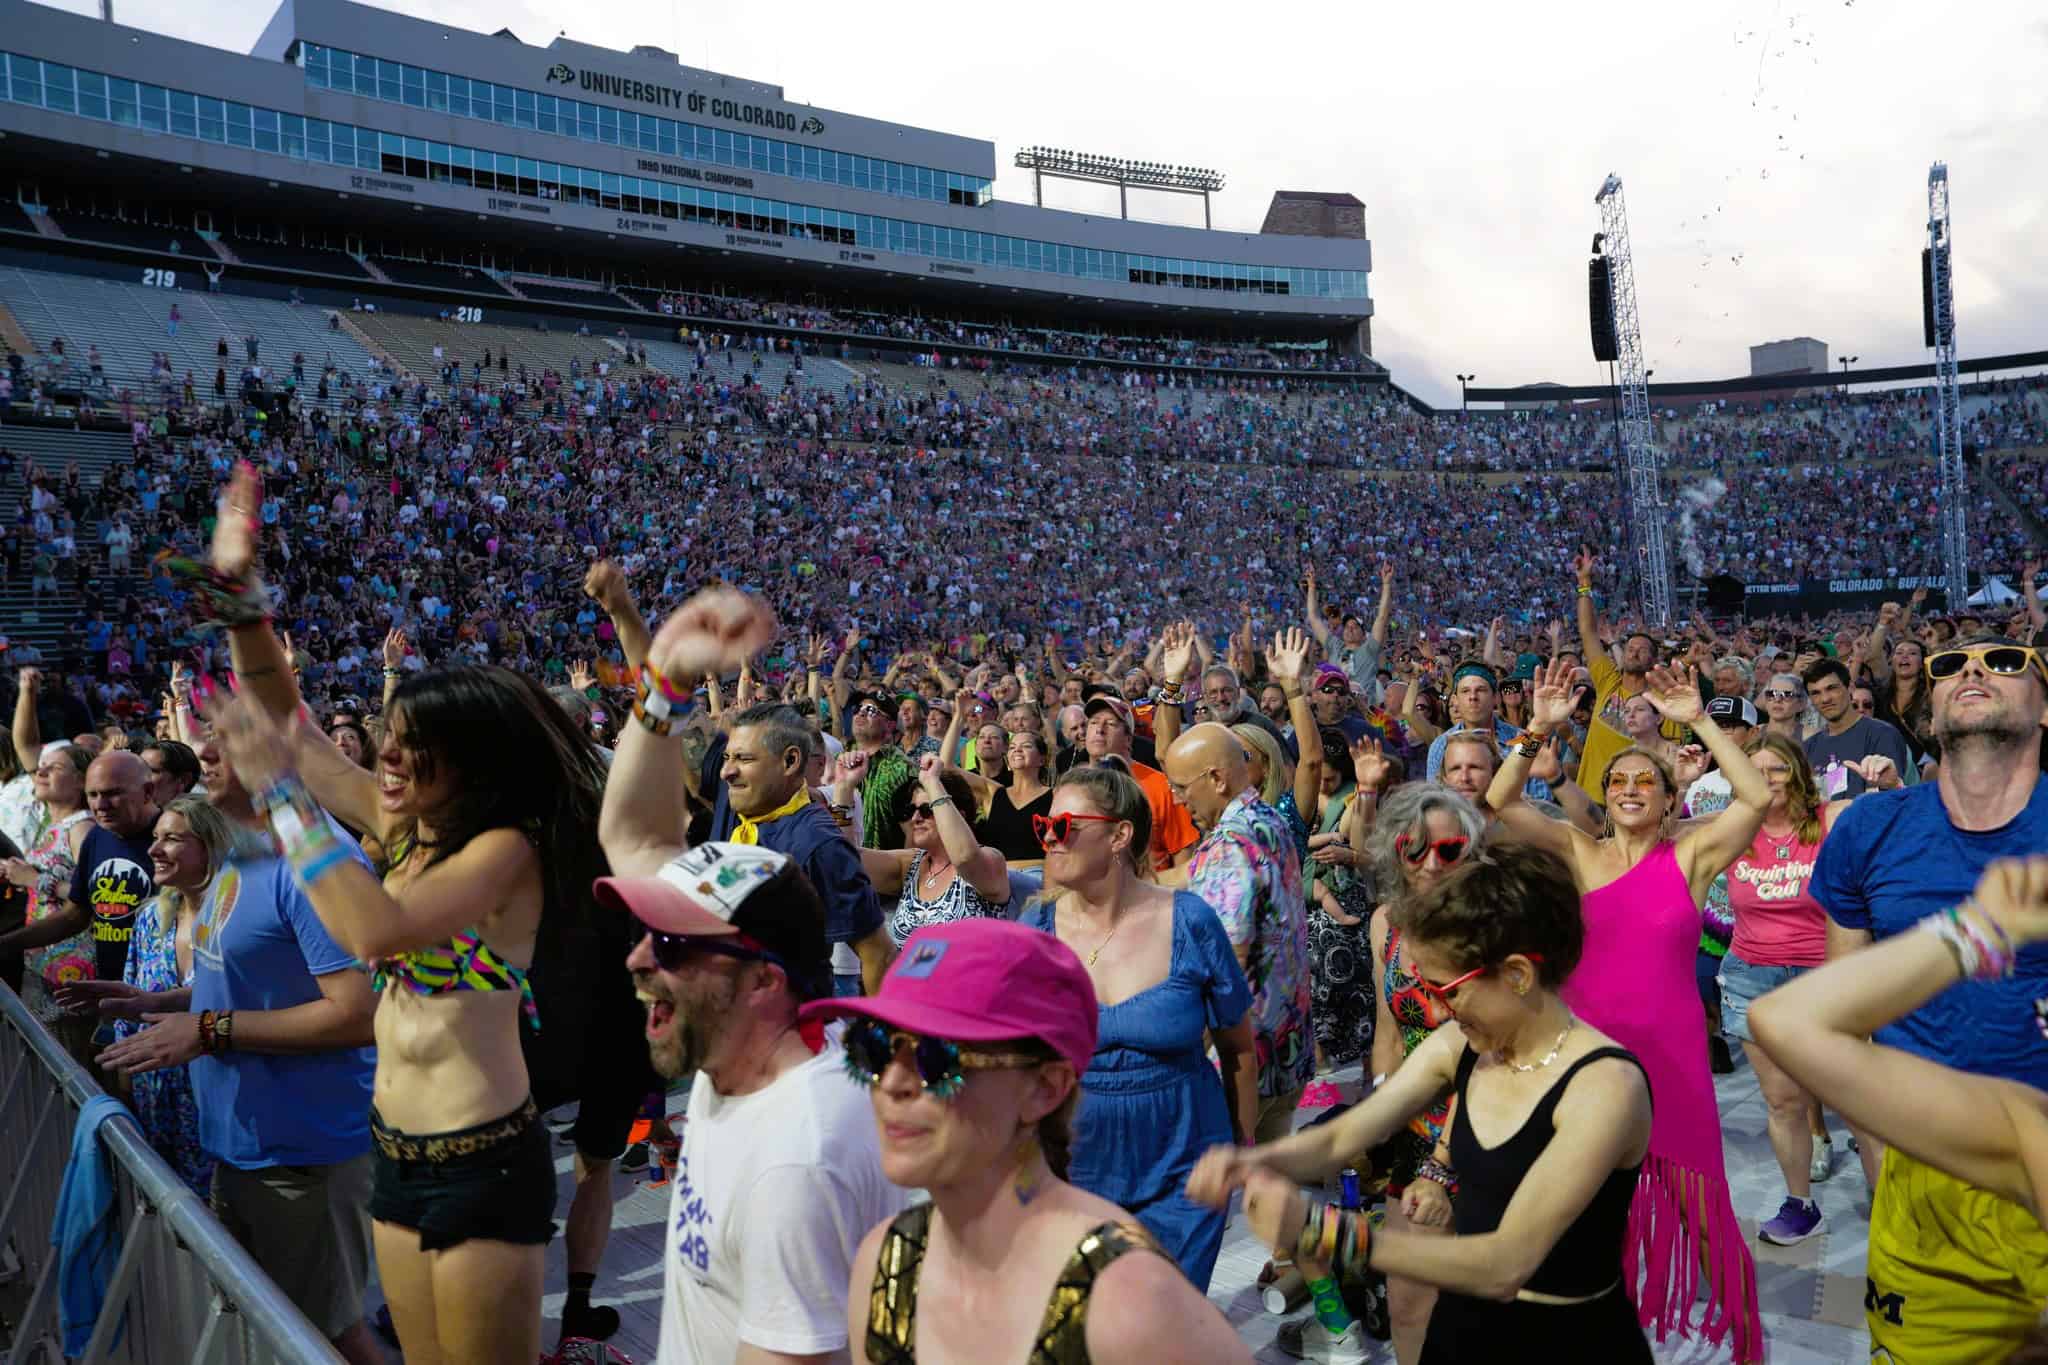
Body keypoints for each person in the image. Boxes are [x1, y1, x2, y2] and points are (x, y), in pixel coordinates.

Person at [196, 463, 610, 1364]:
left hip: (481, 1161)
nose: (386, 756)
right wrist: (239, 598)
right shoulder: (398, 826)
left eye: (412, 748)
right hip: (394, 1150)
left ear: (470, 765)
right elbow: (288, 717)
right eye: (389, 738)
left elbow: (373, 931)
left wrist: (282, 794)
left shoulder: (506, 852)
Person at [592, 581, 904, 1365]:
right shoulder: (729, 1056)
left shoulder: (797, 1157)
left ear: (763, 980)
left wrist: (885, 1060)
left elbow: (877, 953)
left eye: (671, 946)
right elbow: (631, 833)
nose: (638, 958)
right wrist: (663, 677)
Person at [1188, 839, 1654, 1364]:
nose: (1435, 1009)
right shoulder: (1463, 1047)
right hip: (1463, 1327)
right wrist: (1250, 1161)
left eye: (1447, 990)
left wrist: (1325, 1231)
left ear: (1518, 974)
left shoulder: (1606, 1086)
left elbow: (1506, 1264)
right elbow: (1344, 1135)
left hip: (1568, 1341)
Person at [1486, 659, 1768, 1362]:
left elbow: (1756, 795)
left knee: (1704, 1216)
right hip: (1590, 1062)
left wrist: (1699, 720)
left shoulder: (1692, 855)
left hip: (1672, 1061)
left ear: (1670, 798)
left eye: (1647, 781)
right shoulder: (1577, 850)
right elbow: (1500, 797)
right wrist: (1537, 726)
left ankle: (1747, 1345)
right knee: (1584, 1212)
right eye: (1618, 782)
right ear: (1604, 797)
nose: (1631, 789)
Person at [809, 918, 1252, 1365]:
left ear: (1046, 1088)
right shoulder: (885, 1263)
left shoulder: (1129, 1301)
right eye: (875, 1049)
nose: (892, 1083)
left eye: (935, 1058)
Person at [96, 698, 381, 1364]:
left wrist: (207, 1029)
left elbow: (357, 1013)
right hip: (238, 1149)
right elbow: (248, 980)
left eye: (230, 741)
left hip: (301, 1159)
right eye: (209, 738)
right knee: (269, 1334)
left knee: (325, 1338)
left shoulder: (316, 862)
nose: (205, 752)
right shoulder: (242, 852)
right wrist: (159, 1001)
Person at [1805, 634, 2048, 1359]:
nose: (1972, 668)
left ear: (2045, 707)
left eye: (2007, 661)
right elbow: (1842, 1018)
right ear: (1930, 714)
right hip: (1924, 1181)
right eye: (1950, 666)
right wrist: (1883, 1156)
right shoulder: (1868, 827)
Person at [1018, 765, 1259, 1290]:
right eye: (1043, 827)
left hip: (1185, 1169)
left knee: (1166, 1313)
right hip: (1072, 1170)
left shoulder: (1190, 920)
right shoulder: (1035, 931)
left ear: (1119, 835)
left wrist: (1242, 1149)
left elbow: (1238, 1047)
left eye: (1064, 826)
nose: (1049, 839)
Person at [1354, 781, 1492, 1365]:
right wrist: (1377, 1119)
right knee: (1408, 1301)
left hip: (1486, 1129)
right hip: (1416, 1132)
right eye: (1414, 849)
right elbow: (1389, 1033)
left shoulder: (1494, 928)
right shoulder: (1386, 923)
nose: (1431, 863)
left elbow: (1493, 1054)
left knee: (1481, 1303)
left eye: (1449, 849)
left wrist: (1443, 1161)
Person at [1712, 735, 1853, 1248]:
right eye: (1755, 770)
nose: (1766, 779)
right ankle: (1802, 1206)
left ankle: (1892, 1211)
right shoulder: (1733, 829)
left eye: (1777, 769)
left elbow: (1903, 819)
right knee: (1783, 1101)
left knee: (1861, 1101)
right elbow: (1644, 832)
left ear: (1798, 773)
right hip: (1753, 978)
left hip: (1825, 977)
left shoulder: (1831, 818)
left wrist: (1889, 783)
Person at [63, 795, 238, 1194]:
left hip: (222, 1112)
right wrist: (127, 1090)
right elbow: (131, 1016)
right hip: (156, 1106)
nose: (154, 849)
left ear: (210, 845)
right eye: (156, 837)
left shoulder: (237, 920)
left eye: (171, 839)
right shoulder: (149, 919)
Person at [1164, 722, 1314, 1135]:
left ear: (1216, 778)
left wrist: (1184, 1052)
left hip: (1242, 1063)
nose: (1176, 799)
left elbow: (1225, 964)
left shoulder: (1229, 845)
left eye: (1181, 787)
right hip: (1287, 1050)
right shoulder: (1266, 817)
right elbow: (1190, 875)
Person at [714, 702, 893, 995]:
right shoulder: (750, 820)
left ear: (790, 761)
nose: (727, 772)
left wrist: (879, 1027)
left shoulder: (817, 843)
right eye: (727, 757)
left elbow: (878, 955)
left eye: (744, 758)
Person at [855, 754, 1019, 945]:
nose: (915, 818)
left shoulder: (990, 860)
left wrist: (932, 782)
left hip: (970, 965)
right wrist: (844, 790)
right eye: (911, 810)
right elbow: (847, 860)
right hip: (907, 965)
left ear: (960, 815)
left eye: (927, 810)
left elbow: (964, 857)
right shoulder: (912, 864)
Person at [0, 743, 94, 1060]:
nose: (41, 771)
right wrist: (17, 874)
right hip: (42, 964)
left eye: (55, 767)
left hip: (70, 970)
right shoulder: (53, 824)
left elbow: (93, 895)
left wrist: (34, 880)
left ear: (81, 781)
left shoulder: (82, 828)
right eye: (42, 765)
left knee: (70, 1062)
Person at [1080, 692, 1200, 874]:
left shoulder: (1160, 785)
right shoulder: (1073, 786)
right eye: (1093, 723)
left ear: (1128, 739)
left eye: (1111, 724)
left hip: (1151, 886)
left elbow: (1184, 852)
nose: (1099, 729)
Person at [71, 750, 161, 989]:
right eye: (92, 795)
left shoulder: (174, 836)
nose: (101, 805)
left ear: (148, 792)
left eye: (113, 793)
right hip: (111, 990)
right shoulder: (97, 836)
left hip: (160, 993)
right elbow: (75, 914)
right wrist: (10, 942)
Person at [1801, 657, 1917, 801]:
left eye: (1831, 688)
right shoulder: (1808, 748)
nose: (1825, 699)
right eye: (1815, 693)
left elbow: (1890, 799)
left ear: (1850, 687)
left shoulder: (1882, 734)